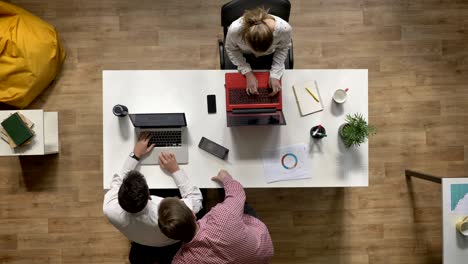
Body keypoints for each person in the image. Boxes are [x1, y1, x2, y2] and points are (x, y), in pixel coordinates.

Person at [103, 133, 203, 264]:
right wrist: (175, 170)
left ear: (119, 195)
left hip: (142, 240)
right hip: (172, 242)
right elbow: (196, 200)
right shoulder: (168, 213)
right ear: (149, 194)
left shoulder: (109, 208)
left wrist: (135, 154)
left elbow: (116, 182)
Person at [158, 170, 274, 264]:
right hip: (262, 252)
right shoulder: (223, 216)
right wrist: (226, 178)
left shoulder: (182, 260)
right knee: (237, 204)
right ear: (193, 214)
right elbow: (237, 192)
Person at [225, 7, 292, 97]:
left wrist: (275, 74)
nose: (258, 55)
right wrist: (247, 72)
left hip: (270, 56)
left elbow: (283, 48)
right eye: (255, 51)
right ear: (245, 39)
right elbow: (231, 49)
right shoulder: (235, 30)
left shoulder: (284, 29)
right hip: (244, 56)